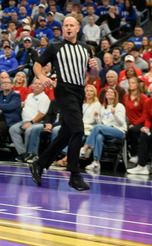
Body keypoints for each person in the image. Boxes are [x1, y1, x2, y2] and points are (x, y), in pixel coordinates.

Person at [28, 15, 99, 191]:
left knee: (66, 134)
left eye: (71, 25)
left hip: (79, 92)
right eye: (65, 25)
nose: (68, 27)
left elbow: (94, 74)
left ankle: (39, 164)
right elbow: (37, 65)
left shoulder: (85, 48)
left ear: (77, 28)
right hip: (63, 90)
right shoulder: (55, 47)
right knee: (78, 130)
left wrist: (95, 67)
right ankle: (74, 175)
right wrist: (43, 77)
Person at [82, 86, 127, 174]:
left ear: (115, 96)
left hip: (119, 131)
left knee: (97, 127)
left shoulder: (119, 106)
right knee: (99, 136)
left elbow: (121, 123)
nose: (109, 93)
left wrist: (115, 114)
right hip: (107, 131)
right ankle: (96, 162)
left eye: (111, 92)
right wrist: (96, 117)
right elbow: (102, 123)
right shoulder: (103, 108)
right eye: (107, 92)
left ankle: (85, 148)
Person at [8, 79, 51, 163]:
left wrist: (30, 123)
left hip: (38, 123)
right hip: (24, 121)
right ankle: (23, 153)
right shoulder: (29, 96)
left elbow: (42, 114)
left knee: (29, 130)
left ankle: (31, 153)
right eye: (35, 83)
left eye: (40, 84)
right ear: (32, 86)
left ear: (43, 87)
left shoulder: (44, 98)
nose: (37, 85)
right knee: (13, 129)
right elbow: (23, 104)